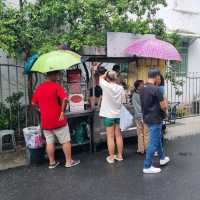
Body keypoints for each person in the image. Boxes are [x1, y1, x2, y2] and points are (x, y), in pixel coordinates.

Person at [32, 71, 80, 169]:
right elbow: (65, 99)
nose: (57, 76)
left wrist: (41, 109)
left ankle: (52, 163)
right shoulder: (56, 86)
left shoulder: (39, 88)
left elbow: (33, 103)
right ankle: (68, 162)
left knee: (49, 142)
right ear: (52, 75)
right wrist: (62, 112)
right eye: (56, 74)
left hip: (45, 121)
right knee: (65, 141)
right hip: (58, 120)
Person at [140, 68, 170, 174]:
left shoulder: (142, 88)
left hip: (147, 117)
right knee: (153, 143)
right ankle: (147, 166)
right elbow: (163, 106)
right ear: (157, 77)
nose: (160, 79)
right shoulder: (156, 89)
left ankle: (162, 158)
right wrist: (166, 106)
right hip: (156, 118)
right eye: (159, 77)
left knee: (158, 138)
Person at [99, 70, 125, 164]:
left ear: (107, 78)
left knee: (110, 137)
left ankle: (111, 157)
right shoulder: (120, 88)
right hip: (118, 115)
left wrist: (105, 74)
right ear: (116, 78)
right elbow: (123, 100)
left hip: (109, 116)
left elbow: (100, 78)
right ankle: (120, 155)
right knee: (118, 135)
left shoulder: (106, 85)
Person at [132, 80, 148, 154]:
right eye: (142, 84)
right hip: (145, 116)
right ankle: (147, 149)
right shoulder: (144, 94)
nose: (144, 85)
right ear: (139, 86)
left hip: (138, 116)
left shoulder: (134, 94)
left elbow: (136, 107)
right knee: (146, 133)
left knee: (140, 134)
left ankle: (141, 149)